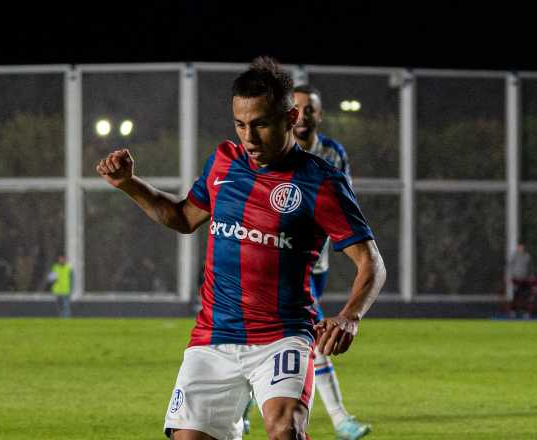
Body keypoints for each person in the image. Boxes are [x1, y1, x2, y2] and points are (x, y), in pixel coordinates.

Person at [95, 56, 386, 440]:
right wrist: (130, 185)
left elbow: (371, 263)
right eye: (240, 124)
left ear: (290, 117)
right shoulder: (223, 162)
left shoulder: (322, 182)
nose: (249, 137)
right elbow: (182, 217)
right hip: (213, 336)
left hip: (282, 336)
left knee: (285, 429)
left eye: (261, 124)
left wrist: (350, 316)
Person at [236, 82, 365, 440]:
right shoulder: (272, 152)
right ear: (289, 114)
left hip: (317, 263)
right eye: (300, 108)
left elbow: (345, 204)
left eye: (312, 109)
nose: (305, 115)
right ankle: (340, 419)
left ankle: (246, 403)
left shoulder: (332, 154)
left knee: (281, 336)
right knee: (307, 333)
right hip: (284, 262)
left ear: (319, 115)